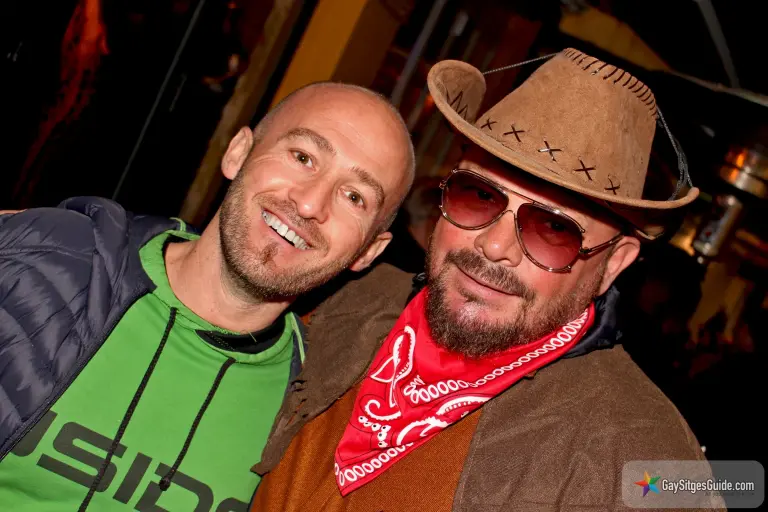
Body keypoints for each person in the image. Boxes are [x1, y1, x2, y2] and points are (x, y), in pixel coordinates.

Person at [249, 50, 727, 511]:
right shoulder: (338, 300)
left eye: (553, 228)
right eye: (478, 196)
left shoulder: (638, 454)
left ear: (614, 263)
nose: (495, 246)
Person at [0, 82, 415, 511]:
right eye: (303, 157)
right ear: (238, 153)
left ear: (368, 251)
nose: (310, 204)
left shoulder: (314, 422)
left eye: (354, 197)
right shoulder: (40, 262)